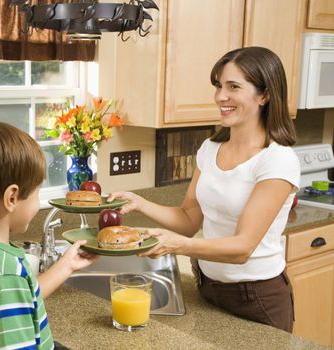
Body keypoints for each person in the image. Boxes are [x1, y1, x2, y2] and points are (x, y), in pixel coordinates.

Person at [108, 47, 300, 332]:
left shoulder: (277, 159)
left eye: (234, 87)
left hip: (258, 298)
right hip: (208, 289)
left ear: (265, 95)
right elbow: (188, 219)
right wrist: (141, 203)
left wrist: (179, 246)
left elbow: (242, 248)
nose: (220, 96)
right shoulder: (210, 149)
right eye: (219, 86)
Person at [0, 121, 98, 349]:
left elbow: (25, 296)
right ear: (12, 198)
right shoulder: (4, 274)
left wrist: (67, 265)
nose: (37, 203)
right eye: (36, 192)